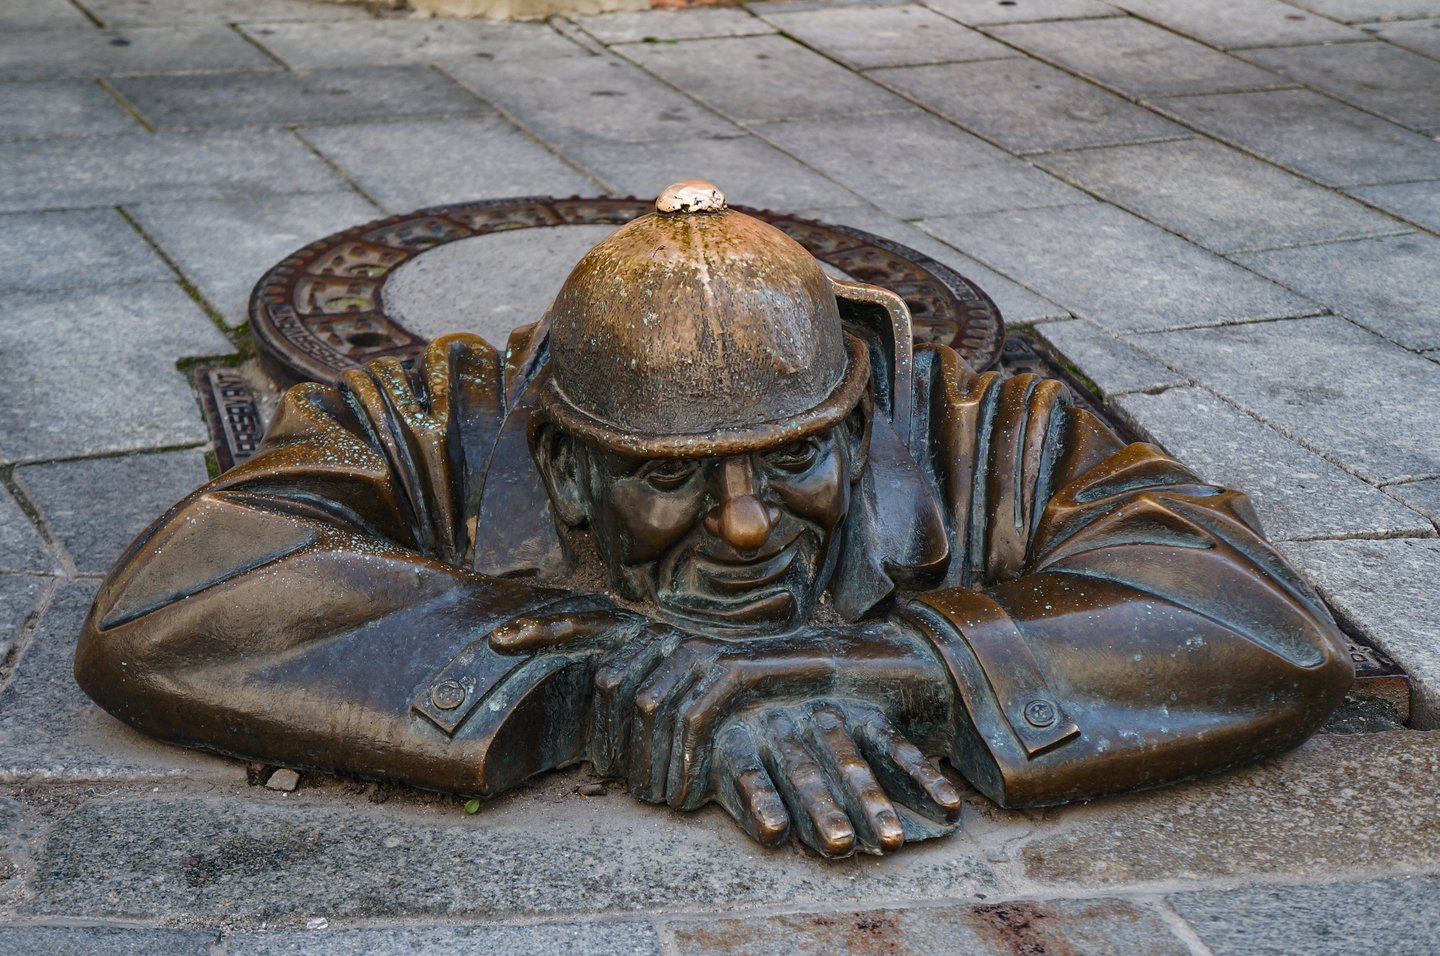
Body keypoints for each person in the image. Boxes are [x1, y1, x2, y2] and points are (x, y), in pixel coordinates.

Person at [75, 182, 1353, 858]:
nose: (746, 526)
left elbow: (1255, 614)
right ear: (564, 462)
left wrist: (899, 665)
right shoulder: (430, 417)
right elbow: (170, 602)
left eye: (796, 458)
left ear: (855, 421)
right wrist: (598, 673)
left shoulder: (979, 423)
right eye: (670, 477)